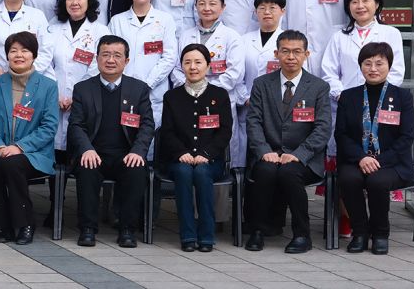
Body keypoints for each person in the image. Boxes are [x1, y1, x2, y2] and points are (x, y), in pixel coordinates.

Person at [243, 30, 331, 253]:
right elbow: (253, 122)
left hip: (304, 158)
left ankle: (302, 235)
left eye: (297, 52)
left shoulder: (318, 87)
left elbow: (322, 129)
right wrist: (264, 150)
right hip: (269, 153)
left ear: (306, 55)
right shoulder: (262, 84)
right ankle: (258, 231)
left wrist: (299, 154)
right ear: (276, 54)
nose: (291, 57)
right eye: (285, 51)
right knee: (264, 171)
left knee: (289, 173)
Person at [67, 34, 154, 248]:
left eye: (117, 55)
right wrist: (86, 149)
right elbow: (76, 125)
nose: (110, 60)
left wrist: (137, 151)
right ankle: (87, 229)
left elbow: (147, 125)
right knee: (86, 168)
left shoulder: (139, 89)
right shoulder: (83, 88)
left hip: (126, 154)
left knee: (136, 169)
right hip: (94, 153)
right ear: (97, 58)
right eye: (105, 55)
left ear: (126, 60)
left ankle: (127, 230)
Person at [0, 32, 60, 244]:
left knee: (13, 164)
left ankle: (25, 223)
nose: (19, 55)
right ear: (7, 55)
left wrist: (19, 147)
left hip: (33, 153)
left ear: (34, 55)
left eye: (25, 50)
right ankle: (3, 224)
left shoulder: (48, 86)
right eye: (13, 51)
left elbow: (49, 127)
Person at [334, 41, 414, 256]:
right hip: (357, 160)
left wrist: (378, 161)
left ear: (389, 66)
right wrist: (362, 158)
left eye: (379, 63)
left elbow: (406, 136)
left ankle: (380, 234)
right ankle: (360, 233)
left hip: (391, 163)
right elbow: (341, 134)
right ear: (360, 66)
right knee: (349, 179)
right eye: (367, 63)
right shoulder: (349, 96)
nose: (373, 69)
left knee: (377, 181)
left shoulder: (402, 97)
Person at [157, 44, 231, 252]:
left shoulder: (220, 95)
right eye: (187, 62)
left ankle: (207, 236)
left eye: (198, 62)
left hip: (211, 160)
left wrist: (206, 154)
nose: (193, 67)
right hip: (179, 159)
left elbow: (225, 131)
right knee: (183, 172)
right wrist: (182, 153)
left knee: (202, 172)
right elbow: (167, 131)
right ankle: (188, 235)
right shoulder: (172, 96)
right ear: (181, 66)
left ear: (208, 65)